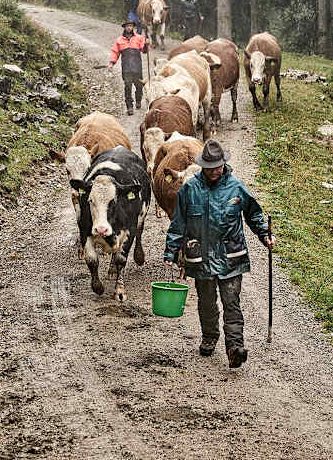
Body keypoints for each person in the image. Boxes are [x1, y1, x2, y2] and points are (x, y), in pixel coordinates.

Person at [163, 140, 274, 368]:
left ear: (224, 164)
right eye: (211, 167)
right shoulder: (190, 189)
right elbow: (179, 223)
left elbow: (254, 215)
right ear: (203, 166)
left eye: (219, 166)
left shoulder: (236, 187)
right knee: (206, 303)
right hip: (200, 256)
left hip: (231, 256)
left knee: (231, 302)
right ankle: (210, 336)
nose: (215, 171)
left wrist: (265, 235)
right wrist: (171, 251)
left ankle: (235, 348)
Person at [109, 20, 150, 115]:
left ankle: (138, 100)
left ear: (133, 27)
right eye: (127, 26)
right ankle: (129, 106)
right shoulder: (119, 40)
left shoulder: (139, 38)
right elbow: (115, 52)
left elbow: (144, 51)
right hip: (126, 68)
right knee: (127, 86)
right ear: (124, 27)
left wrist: (146, 44)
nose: (129, 28)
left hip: (137, 67)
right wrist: (112, 63)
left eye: (131, 26)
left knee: (139, 86)